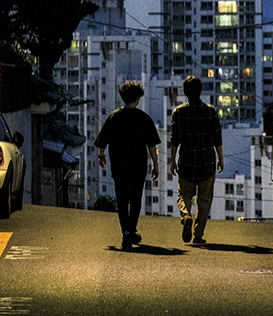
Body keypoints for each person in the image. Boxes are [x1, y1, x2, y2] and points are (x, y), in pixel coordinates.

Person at [94, 80, 160, 250]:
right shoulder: (144, 118)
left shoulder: (114, 117)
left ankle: (125, 232)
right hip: (138, 166)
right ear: (137, 98)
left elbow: (103, 140)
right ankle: (131, 229)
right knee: (136, 198)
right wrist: (155, 164)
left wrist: (101, 156)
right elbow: (152, 145)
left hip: (119, 165)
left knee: (122, 199)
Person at [169, 75, 223, 245]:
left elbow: (174, 140)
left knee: (184, 195)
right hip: (207, 162)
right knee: (205, 200)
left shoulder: (179, 112)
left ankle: (186, 215)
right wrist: (220, 159)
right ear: (201, 92)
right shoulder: (211, 111)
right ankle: (198, 235)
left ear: (185, 93)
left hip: (186, 162)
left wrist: (172, 160)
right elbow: (217, 139)